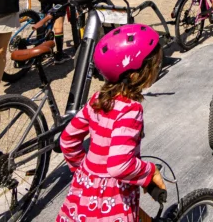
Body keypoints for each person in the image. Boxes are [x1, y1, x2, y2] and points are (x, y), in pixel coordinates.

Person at [57, 25, 167, 222]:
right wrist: (150, 171)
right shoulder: (130, 110)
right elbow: (119, 166)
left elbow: (67, 141)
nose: (157, 69)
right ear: (135, 74)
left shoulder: (97, 99)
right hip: (111, 203)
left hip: (83, 196)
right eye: (155, 65)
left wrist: (86, 174)